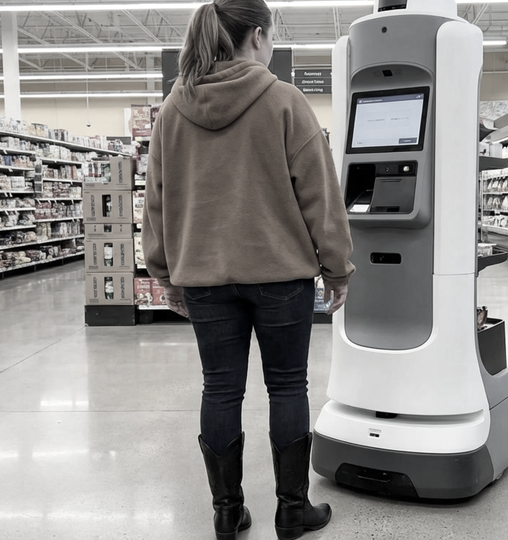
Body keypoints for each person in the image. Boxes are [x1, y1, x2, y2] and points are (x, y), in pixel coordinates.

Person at [142, 1, 355, 539]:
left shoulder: (171, 112)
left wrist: (164, 272)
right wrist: (337, 267)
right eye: (272, 35)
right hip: (280, 274)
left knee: (220, 389)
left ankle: (226, 513)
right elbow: (319, 196)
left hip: (205, 277)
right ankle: (292, 510)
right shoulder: (286, 101)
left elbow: (157, 202)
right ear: (258, 36)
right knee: (287, 388)